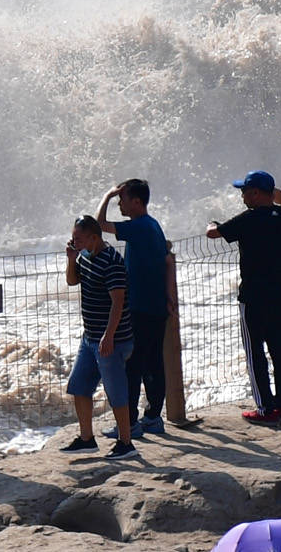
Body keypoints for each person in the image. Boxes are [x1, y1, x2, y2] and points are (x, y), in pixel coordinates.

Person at [207, 171, 281, 426]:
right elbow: (279, 202)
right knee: (280, 352)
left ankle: (265, 407)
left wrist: (211, 224)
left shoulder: (247, 219)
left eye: (244, 191)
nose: (242, 196)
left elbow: (214, 233)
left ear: (256, 193)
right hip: (280, 292)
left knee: (255, 352)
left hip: (254, 296)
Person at [96, 179, 172, 439]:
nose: (120, 203)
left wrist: (106, 196)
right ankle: (152, 418)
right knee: (153, 364)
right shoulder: (152, 225)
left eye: (123, 199)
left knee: (132, 366)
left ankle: (128, 424)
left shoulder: (139, 226)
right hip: (155, 306)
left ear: (137, 202)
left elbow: (98, 226)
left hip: (139, 307)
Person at [61, 214, 136, 457]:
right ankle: (86, 439)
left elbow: (118, 301)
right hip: (90, 336)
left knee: (116, 392)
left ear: (94, 237)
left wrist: (109, 336)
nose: (75, 241)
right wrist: (71, 259)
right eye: (73, 237)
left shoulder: (111, 261)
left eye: (78, 238)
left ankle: (126, 443)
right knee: (78, 386)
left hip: (112, 339)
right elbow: (73, 282)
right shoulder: (84, 256)